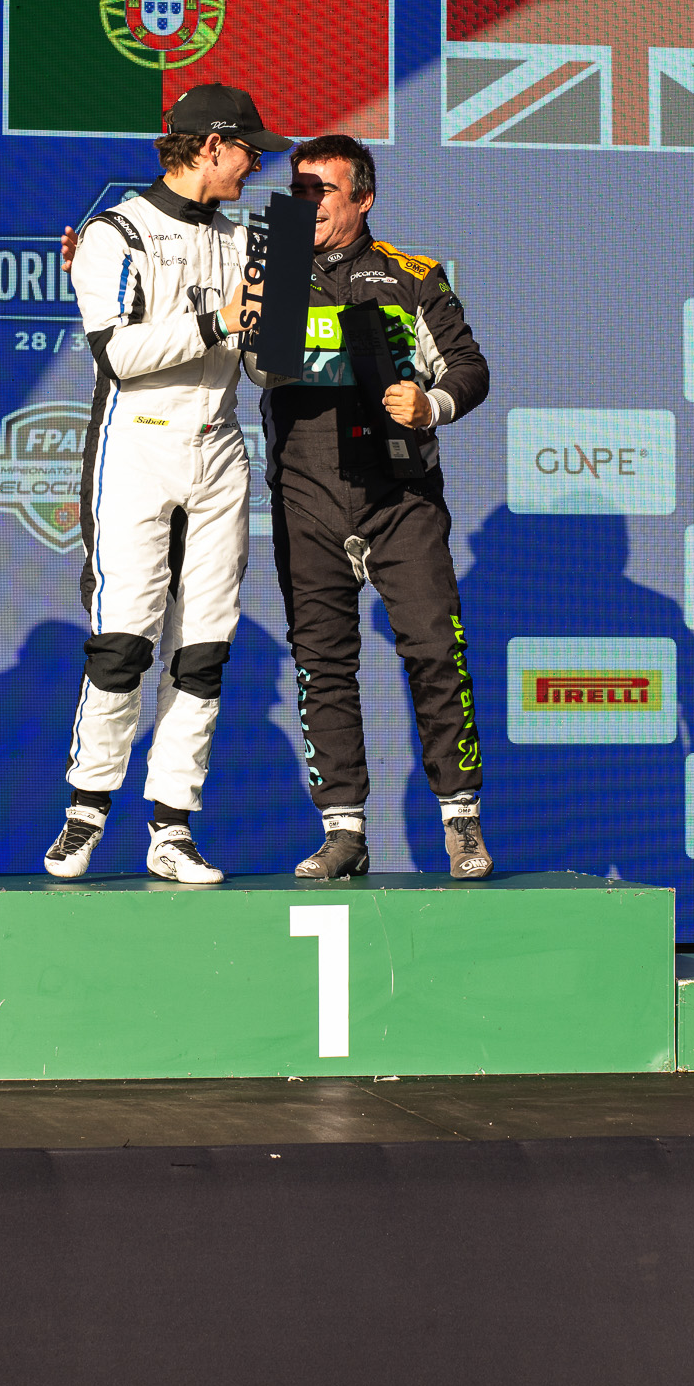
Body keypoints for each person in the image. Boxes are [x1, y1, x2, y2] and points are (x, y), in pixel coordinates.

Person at [44, 84, 290, 887]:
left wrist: (285, 318)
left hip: (220, 449)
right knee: (123, 640)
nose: (256, 166)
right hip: (138, 447)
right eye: (248, 151)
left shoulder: (252, 241)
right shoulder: (116, 232)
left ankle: (172, 827)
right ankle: (86, 812)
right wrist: (220, 320)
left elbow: (266, 369)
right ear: (210, 146)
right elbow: (117, 355)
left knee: (204, 649)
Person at [268, 135, 493, 881]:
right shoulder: (272, 269)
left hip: (400, 497)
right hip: (305, 498)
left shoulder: (412, 275)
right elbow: (254, 361)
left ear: (363, 198)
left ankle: (460, 818)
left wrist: (430, 404)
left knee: (435, 648)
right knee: (321, 662)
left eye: (323, 190)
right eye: (298, 189)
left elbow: (469, 368)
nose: (307, 203)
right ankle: (343, 831)